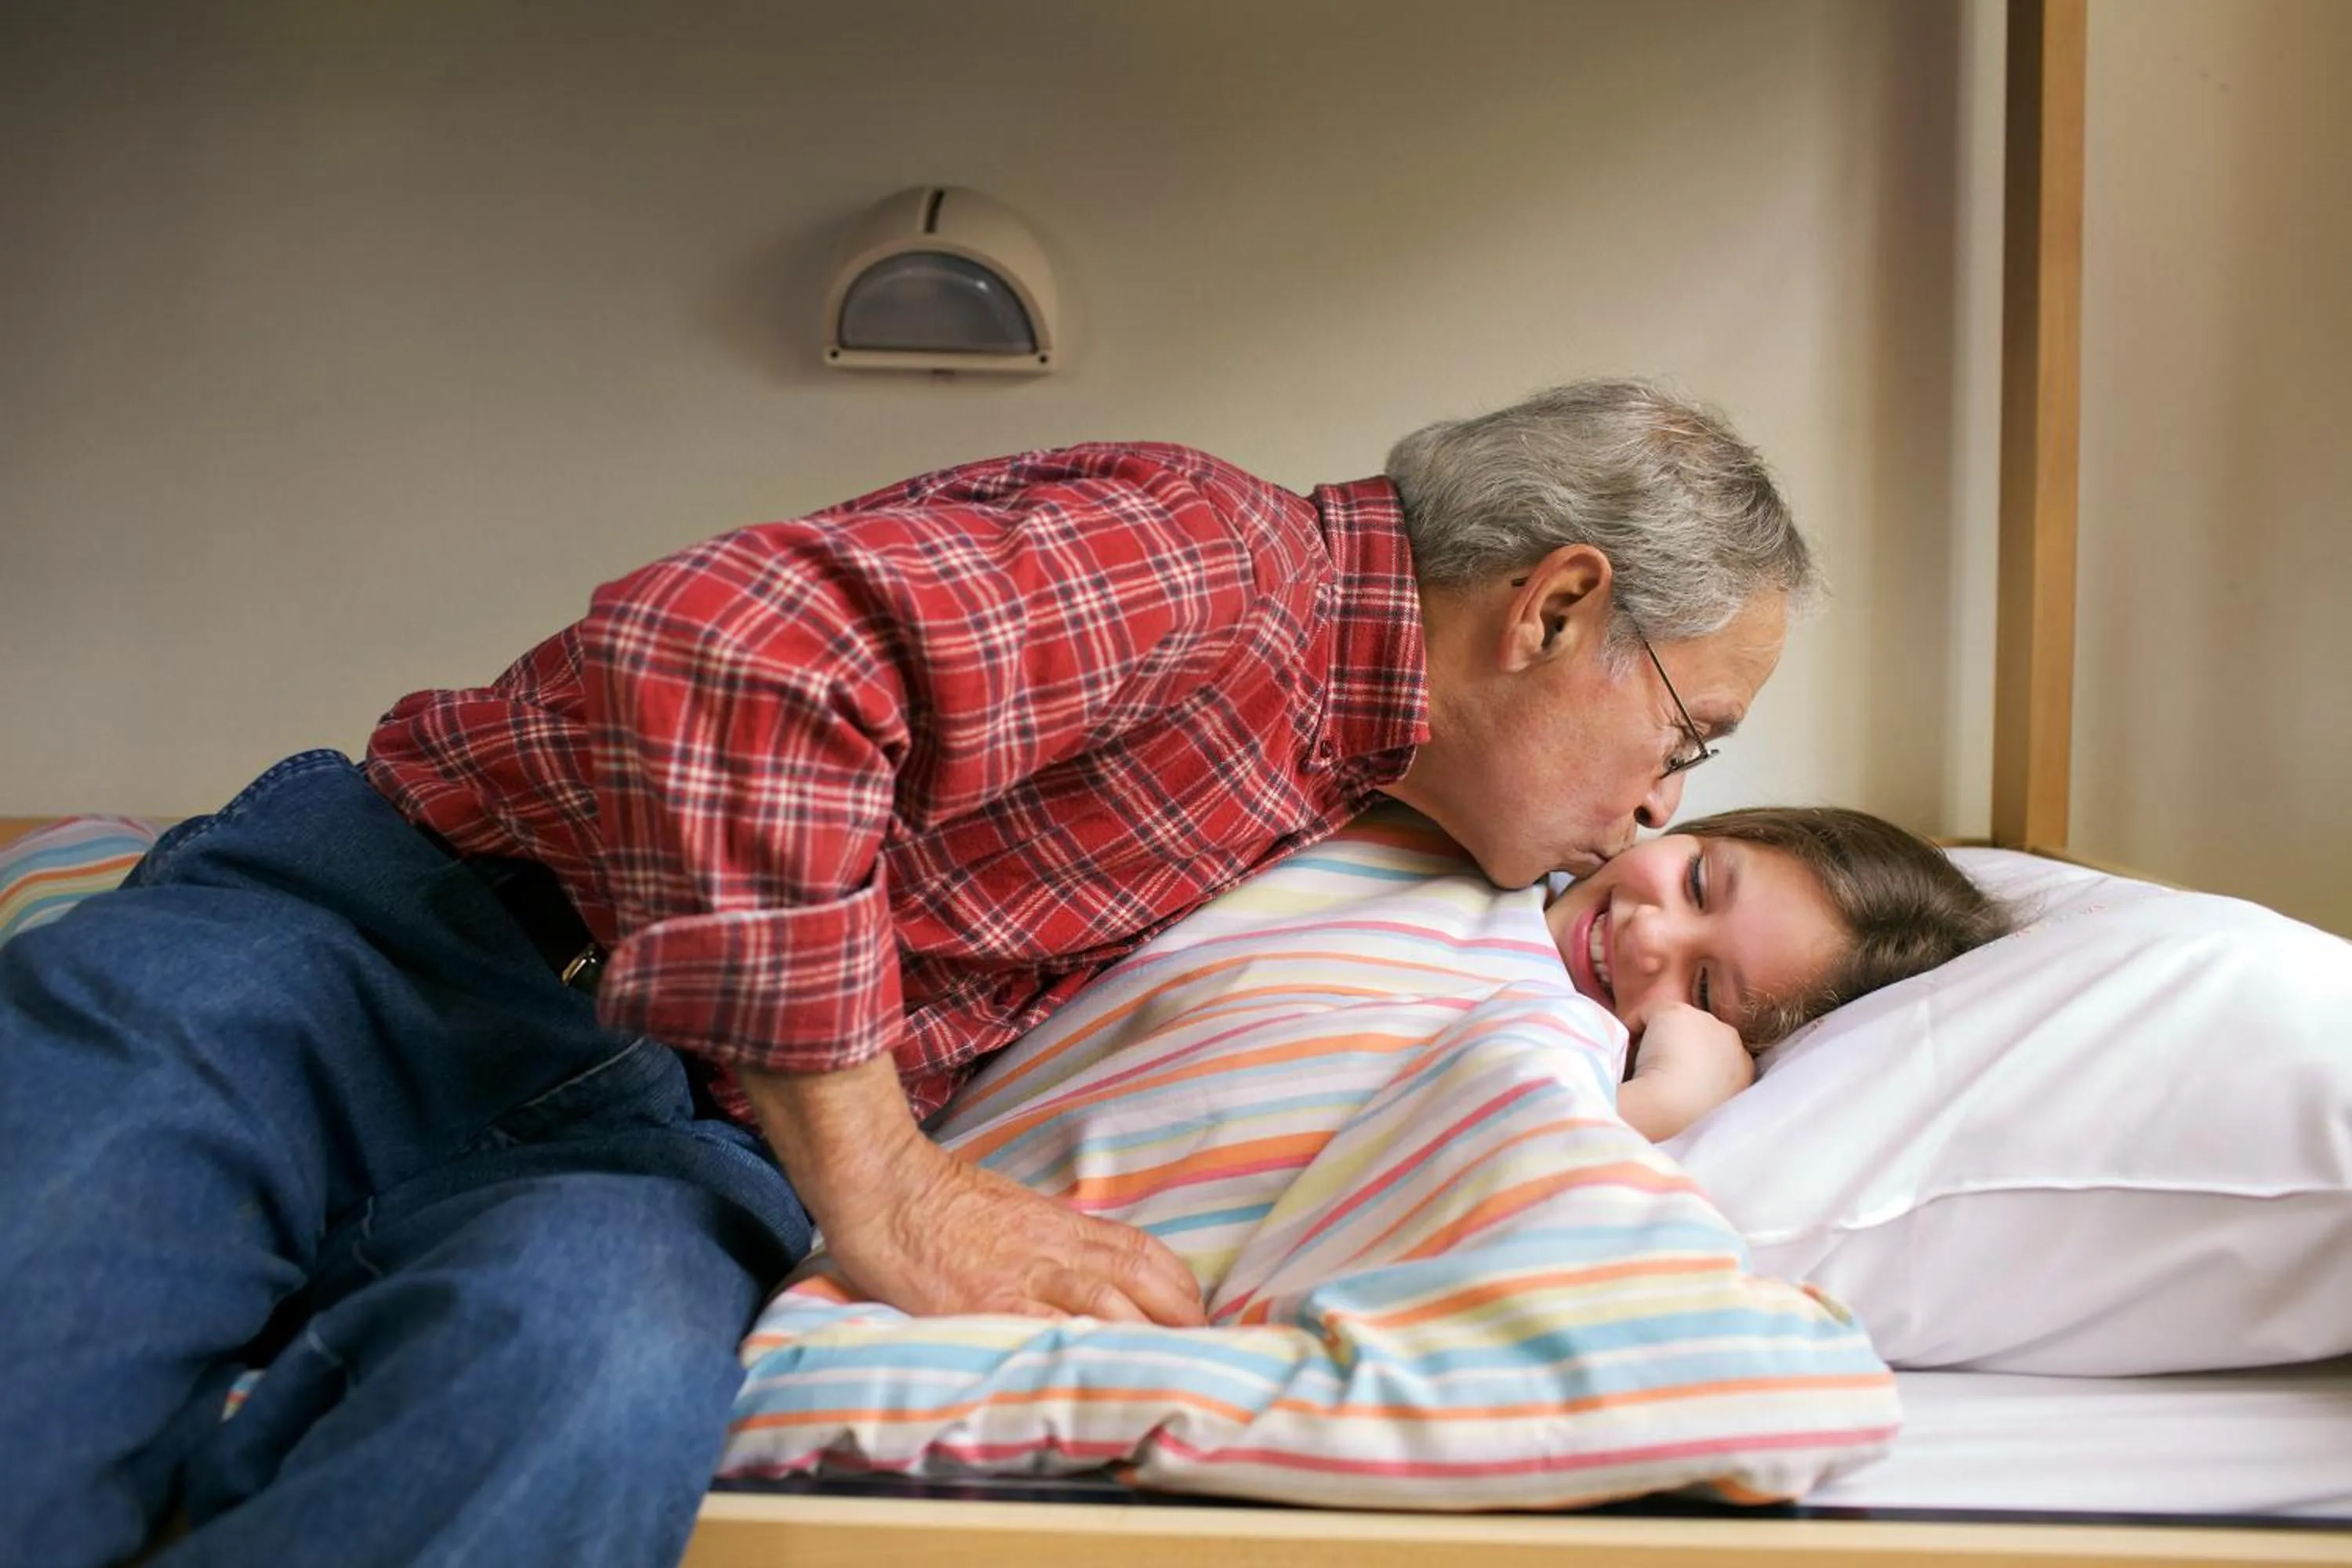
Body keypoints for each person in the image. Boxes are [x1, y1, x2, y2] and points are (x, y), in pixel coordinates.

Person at [0, 380, 1816, 1566]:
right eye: (1690, 737)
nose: (1663, 798)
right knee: (47, 1269)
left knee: (576, 1379)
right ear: (1551, 605)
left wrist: (1667, 1074)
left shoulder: (1366, 811)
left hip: (661, 1140)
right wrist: (883, 1179)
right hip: (388, 945)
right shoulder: (1228, 568)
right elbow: (728, 655)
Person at [1561, 806, 2016, 1141]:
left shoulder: (1566, 1059)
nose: (1648, 934)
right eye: (1696, 882)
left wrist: (1660, 1108)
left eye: (1704, 990)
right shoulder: (1529, 851)